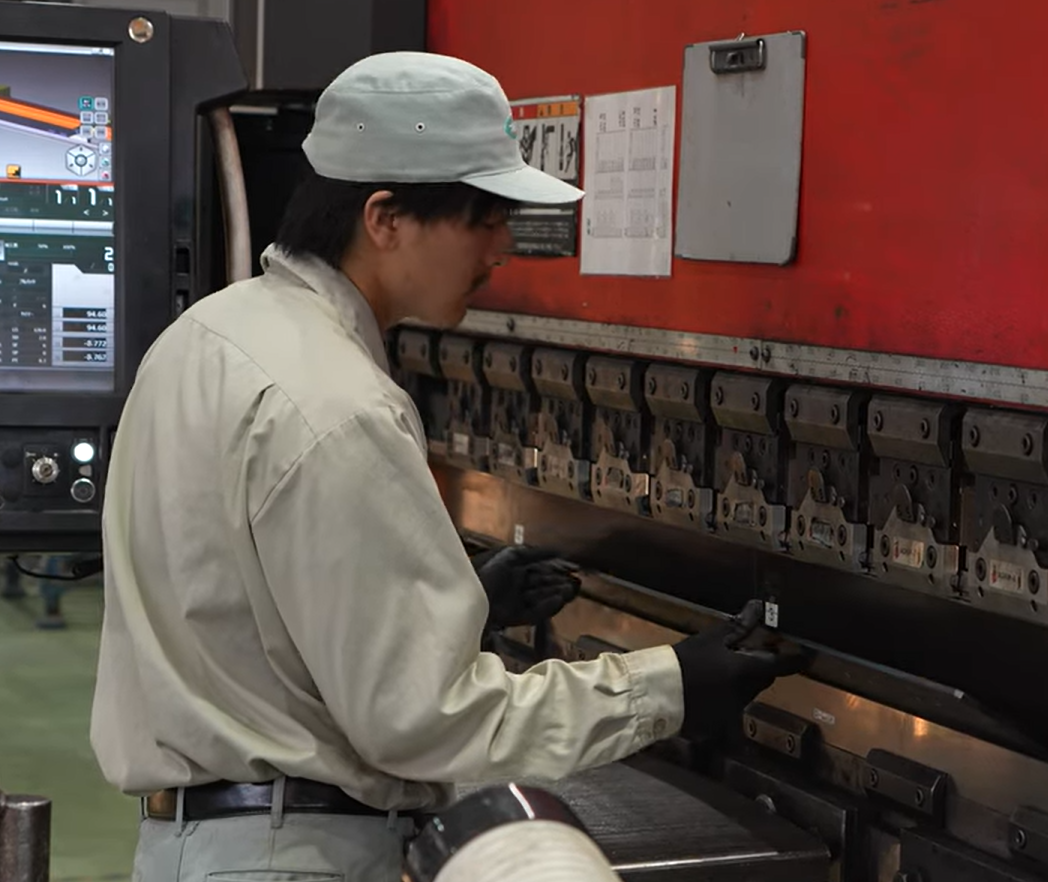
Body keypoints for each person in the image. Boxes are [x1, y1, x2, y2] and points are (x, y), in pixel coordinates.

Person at [90, 51, 803, 881]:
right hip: (296, 855)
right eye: (482, 218)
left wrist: (455, 608)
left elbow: (243, 608)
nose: (504, 247)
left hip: (195, 850)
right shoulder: (340, 406)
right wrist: (670, 686)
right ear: (385, 217)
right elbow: (423, 722)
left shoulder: (205, 339)